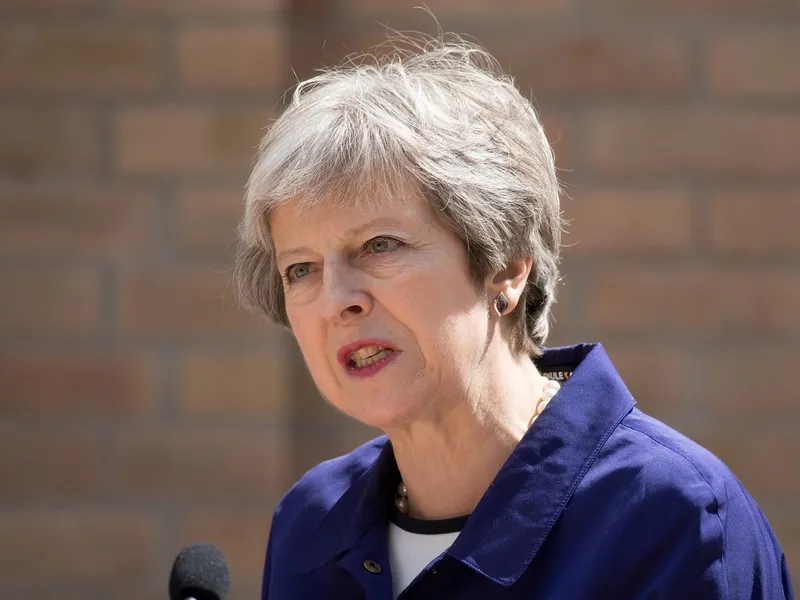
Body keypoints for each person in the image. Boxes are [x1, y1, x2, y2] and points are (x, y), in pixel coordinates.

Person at [234, 33, 794, 599]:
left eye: (379, 245)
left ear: (504, 266)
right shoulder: (309, 526)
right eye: (300, 269)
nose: (336, 299)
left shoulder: (670, 515)